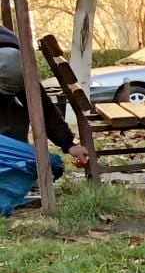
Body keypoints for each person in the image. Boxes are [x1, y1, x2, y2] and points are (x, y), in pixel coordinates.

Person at [0, 23, 87, 214]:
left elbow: (43, 108)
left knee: (16, 117)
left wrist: (68, 144)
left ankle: (15, 172)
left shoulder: (20, 64)